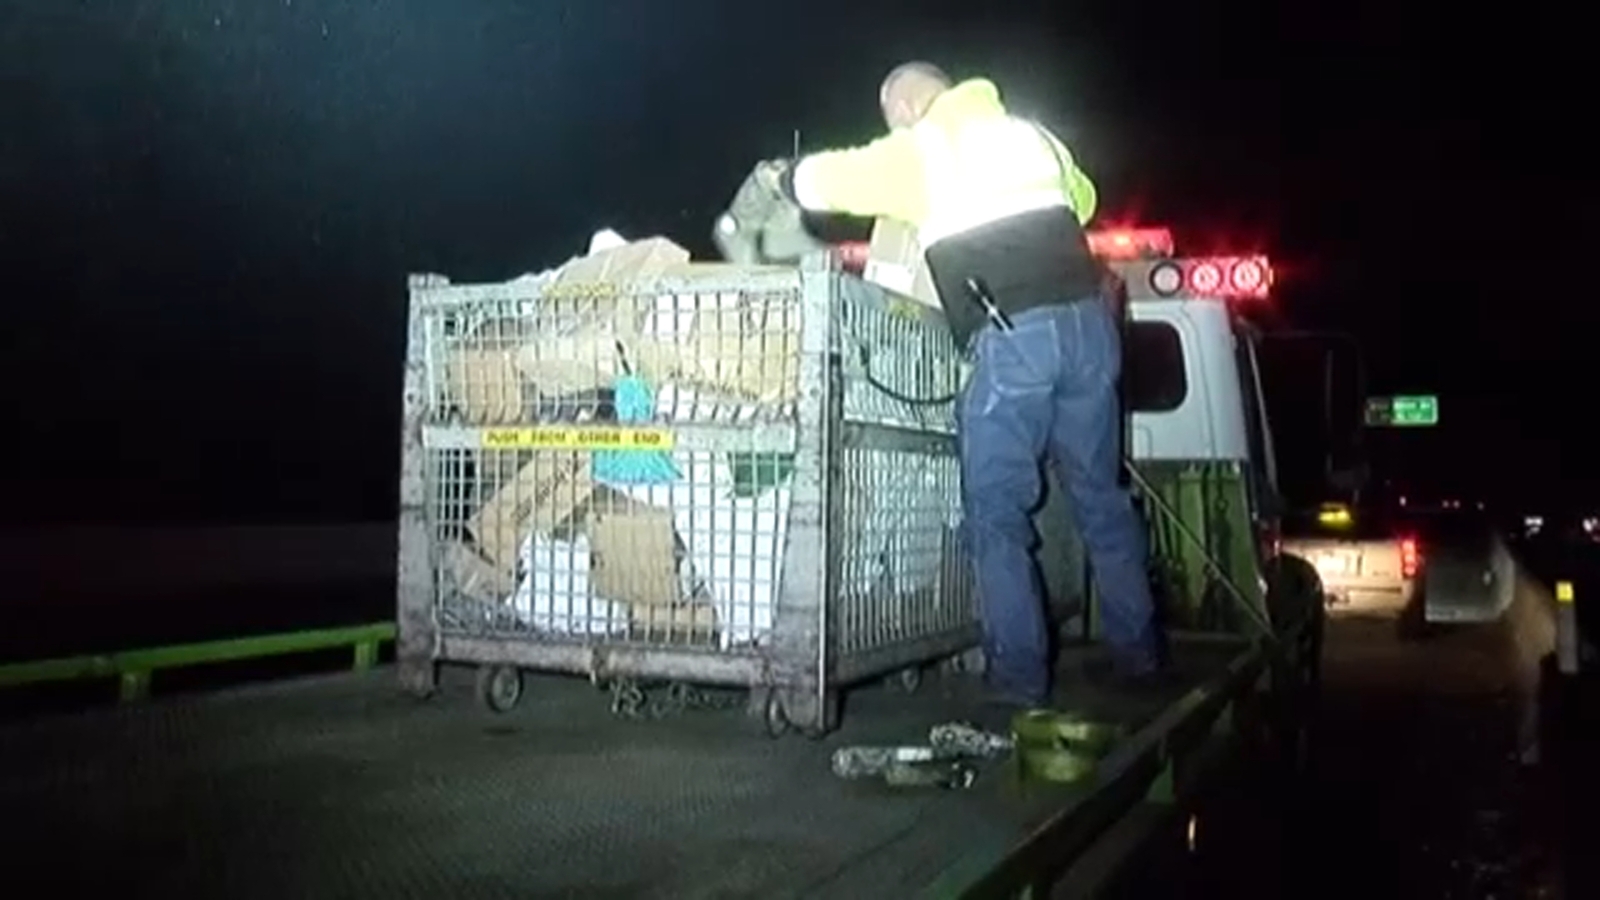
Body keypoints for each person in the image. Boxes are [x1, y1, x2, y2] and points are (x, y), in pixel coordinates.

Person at [770, 62, 1165, 707]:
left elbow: (831, 180)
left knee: (996, 515)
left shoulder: (927, 148)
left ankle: (1018, 682)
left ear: (903, 106)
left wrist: (787, 176)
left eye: (892, 115)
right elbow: (1084, 199)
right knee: (1101, 499)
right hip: (1090, 331)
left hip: (1016, 337)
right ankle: (1141, 655)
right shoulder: (1032, 134)